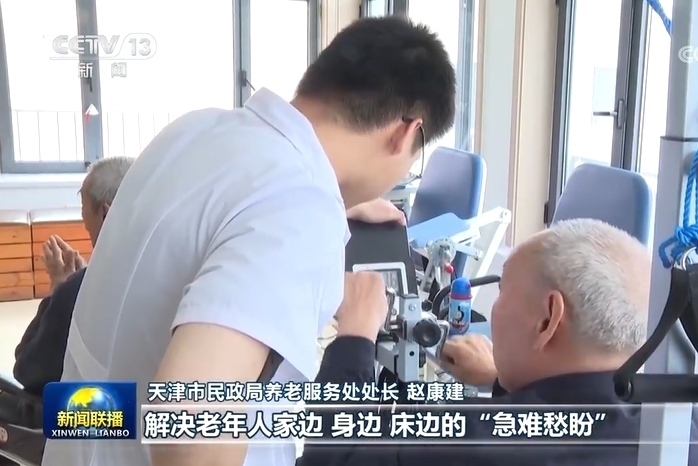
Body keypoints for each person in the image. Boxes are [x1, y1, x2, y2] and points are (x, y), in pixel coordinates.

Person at [40, 15, 455, 466]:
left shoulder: (196, 130)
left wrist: (331, 204)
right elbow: (189, 435)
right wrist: (313, 218)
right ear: (405, 133)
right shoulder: (298, 207)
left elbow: (223, 206)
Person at [299, 219, 698, 466]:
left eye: (502, 291)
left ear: (548, 319)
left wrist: (354, 336)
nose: (494, 308)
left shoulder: (467, 441)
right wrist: (503, 378)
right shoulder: (676, 423)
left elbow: (330, 459)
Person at [9, 156, 135, 399]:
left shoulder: (79, 290)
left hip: (117, 413)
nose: (84, 222)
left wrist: (60, 289)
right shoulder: (185, 273)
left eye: (84, 212)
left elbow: (27, 370)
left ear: (105, 214)